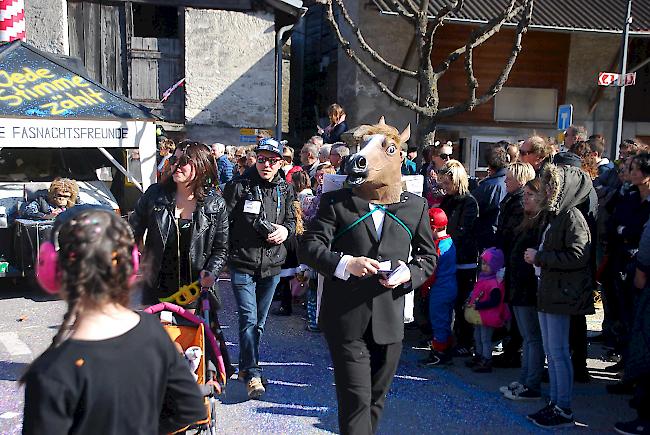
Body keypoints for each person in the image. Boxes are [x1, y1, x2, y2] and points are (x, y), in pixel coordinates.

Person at [299, 122, 437, 435]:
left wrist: (407, 274)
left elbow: (427, 258)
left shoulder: (415, 207)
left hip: (390, 319)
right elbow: (310, 246)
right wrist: (345, 263)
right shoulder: (337, 203)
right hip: (346, 318)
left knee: (375, 399)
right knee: (355, 399)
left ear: (399, 159)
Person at [22, 207, 206, 434]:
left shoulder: (51, 373)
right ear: (130, 266)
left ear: (53, 270)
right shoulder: (153, 332)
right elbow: (189, 407)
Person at [222, 137, 296, 399]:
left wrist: (285, 232)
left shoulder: (285, 189)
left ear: (280, 163)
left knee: (259, 324)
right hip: (243, 262)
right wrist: (222, 256)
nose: (266, 165)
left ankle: (244, 367)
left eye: (272, 161)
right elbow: (224, 222)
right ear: (255, 159)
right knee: (249, 319)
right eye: (262, 159)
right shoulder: (239, 186)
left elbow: (291, 219)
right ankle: (253, 373)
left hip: (272, 265)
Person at [524, 164, 594, 428]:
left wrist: (539, 257)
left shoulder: (572, 216)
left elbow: (579, 255)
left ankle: (562, 407)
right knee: (553, 353)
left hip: (560, 293)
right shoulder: (557, 216)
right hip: (550, 290)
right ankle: (555, 403)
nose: (549, 189)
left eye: (554, 185)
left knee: (558, 352)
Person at [129, 143, 229, 311]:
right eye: (174, 159)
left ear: (202, 166)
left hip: (194, 291)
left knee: (188, 336)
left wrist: (211, 273)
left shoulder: (215, 204)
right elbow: (132, 230)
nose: (176, 165)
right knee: (155, 336)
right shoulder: (155, 194)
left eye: (184, 161)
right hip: (155, 288)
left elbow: (221, 249)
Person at [501, 178, 546, 401]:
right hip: (517, 285)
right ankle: (525, 380)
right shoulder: (526, 221)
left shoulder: (541, 223)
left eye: (531, 195)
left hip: (529, 288)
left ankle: (532, 384)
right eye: (525, 194)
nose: (525, 199)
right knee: (528, 337)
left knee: (532, 338)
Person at [492, 162, 535, 369]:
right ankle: (511, 348)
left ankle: (513, 351)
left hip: (515, 260)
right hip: (508, 257)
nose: (505, 180)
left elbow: (512, 233)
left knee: (516, 311)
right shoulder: (510, 200)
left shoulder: (519, 204)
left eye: (509, 177)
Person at [439, 160, 479, 357]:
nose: (445, 188)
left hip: (464, 258)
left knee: (463, 301)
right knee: (451, 301)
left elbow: (463, 231)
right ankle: (451, 337)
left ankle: (465, 341)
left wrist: (447, 240)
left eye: (448, 184)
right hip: (449, 256)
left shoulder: (469, 202)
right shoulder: (448, 200)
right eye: (443, 184)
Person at [419, 208, 457, 367]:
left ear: (433, 228)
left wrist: (423, 288)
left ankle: (439, 353)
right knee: (445, 320)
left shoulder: (439, 247)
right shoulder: (449, 241)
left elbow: (431, 272)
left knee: (438, 321)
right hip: (448, 287)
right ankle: (446, 349)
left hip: (440, 289)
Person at [464, 248, 509, 373]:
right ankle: (478, 356)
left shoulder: (495, 283)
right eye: (483, 264)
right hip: (480, 315)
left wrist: (479, 305)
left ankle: (486, 359)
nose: (484, 267)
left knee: (485, 339)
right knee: (477, 336)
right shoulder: (484, 278)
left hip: (488, 316)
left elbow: (495, 301)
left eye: (487, 264)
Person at [471, 146, 508, 251]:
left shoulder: (489, 186)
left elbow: (472, 205)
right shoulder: (508, 180)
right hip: (499, 235)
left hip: (487, 236)